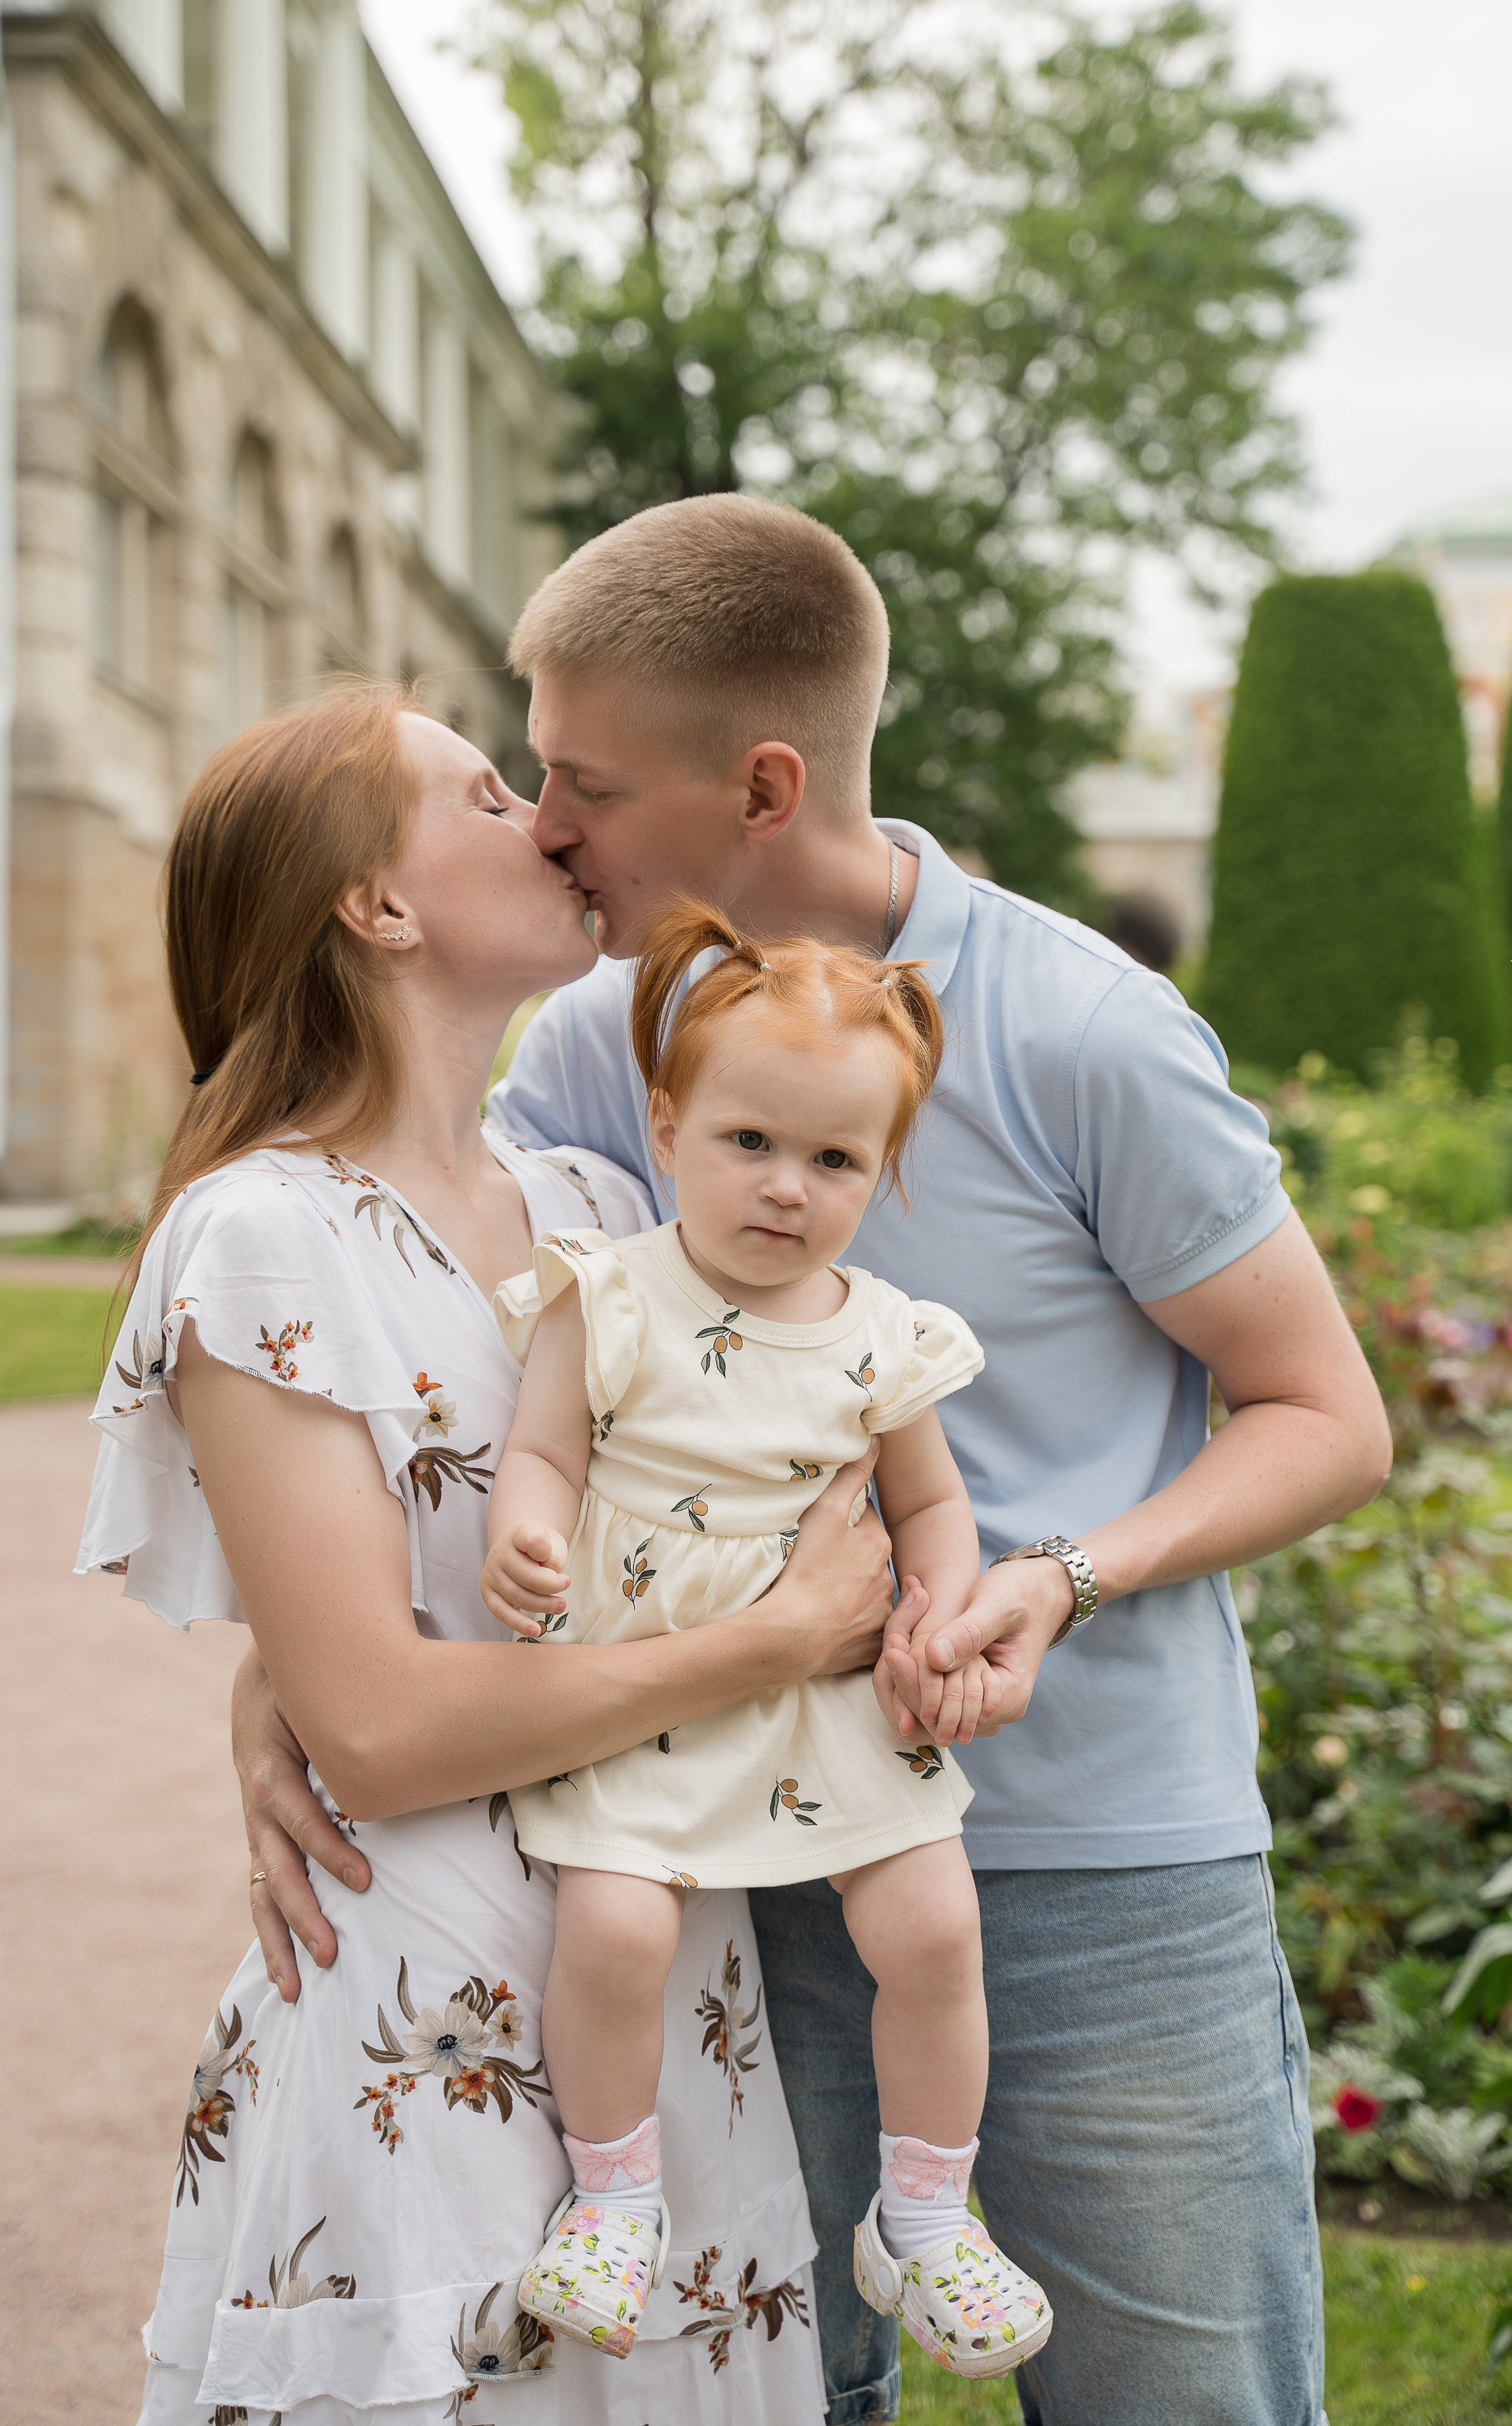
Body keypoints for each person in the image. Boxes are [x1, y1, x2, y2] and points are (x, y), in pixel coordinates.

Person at [242, 496, 1392, 2426]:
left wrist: (1052, 1577)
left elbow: (1326, 1415)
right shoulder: (606, 1046)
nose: (545, 824)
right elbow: (471, 1386)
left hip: (1099, 1880)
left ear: (764, 783)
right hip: (722, 1886)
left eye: (584, 779)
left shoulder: (1085, 1032)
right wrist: (286, 1667)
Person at [78, 684, 901, 2426]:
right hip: (428, 2020)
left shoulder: (604, 1210)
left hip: (678, 1988)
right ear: (377, 907)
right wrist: (775, 1643)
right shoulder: (262, 1239)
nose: (543, 815)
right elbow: (373, 1730)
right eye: (481, 791)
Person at [480, 902, 1050, 2378]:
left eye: (834, 1160)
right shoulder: (605, 1296)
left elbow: (931, 1503)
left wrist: (936, 1607)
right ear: (667, 1122)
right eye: (748, 1143)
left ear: (880, 1174)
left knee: (929, 1925)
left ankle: (922, 2213)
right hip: (647, 1686)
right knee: (612, 1927)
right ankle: (612, 2201)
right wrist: (521, 1529)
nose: (786, 1188)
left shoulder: (881, 1334)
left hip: (830, 1703)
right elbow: (540, 1453)